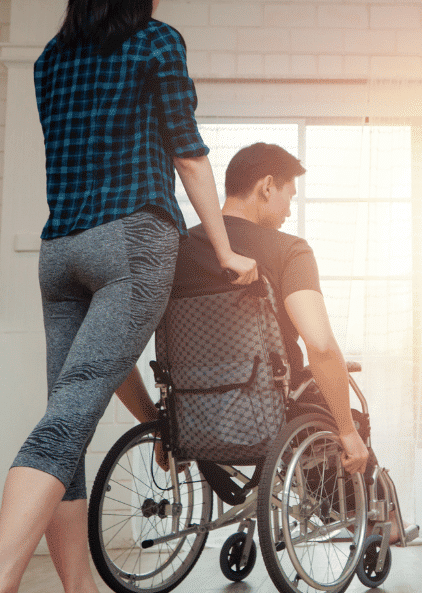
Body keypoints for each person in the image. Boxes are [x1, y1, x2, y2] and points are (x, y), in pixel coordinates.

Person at [0, 0, 256, 593]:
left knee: (69, 418)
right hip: (132, 240)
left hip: (60, 252)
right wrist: (228, 250)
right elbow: (190, 155)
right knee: (66, 423)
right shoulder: (156, 43)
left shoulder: (49, 60)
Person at [116, 141, 377, 491]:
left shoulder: (171, 252)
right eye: (289, 195)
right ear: (267, 186)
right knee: (348, 416)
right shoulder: (288, 250)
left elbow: (114, 352)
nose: (288, 210)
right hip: (273, 414)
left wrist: (157, 424)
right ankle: (383, 521)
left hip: (192, 420)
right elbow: (320, 343)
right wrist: (346, 430)